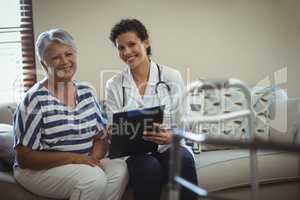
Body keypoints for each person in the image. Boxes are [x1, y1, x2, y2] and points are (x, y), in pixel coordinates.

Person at [13, 28, 128, 200]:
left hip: (83, 162)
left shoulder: (86, 91)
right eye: (56, 57)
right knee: (92, 179)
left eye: (69, 54)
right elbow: (25, 158)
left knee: (120, 169)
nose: (64, 61)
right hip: (38, 170)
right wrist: (74, 159)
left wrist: (92, 160)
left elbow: (100, 136)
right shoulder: (34, 99)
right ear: (44, 63)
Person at [106, 19, 198, 200]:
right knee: (148, 168)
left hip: (169, 145)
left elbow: (186, 122)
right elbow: (112, 127)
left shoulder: (171, 76)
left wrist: (171, 137)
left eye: (132, 44)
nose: (126, 52)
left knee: (182, 162)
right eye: (120, 48)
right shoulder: (114, 84)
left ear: (145, 42)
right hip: (135, 153)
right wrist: (113, 133)